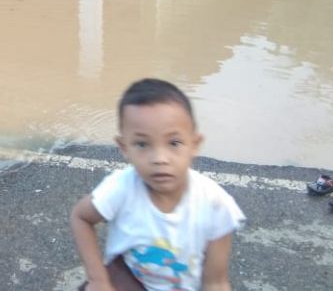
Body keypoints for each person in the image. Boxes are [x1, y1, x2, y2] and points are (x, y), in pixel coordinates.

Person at [70, 78, 245, 291]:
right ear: (124, 147)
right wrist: (98, 280)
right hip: (131, 279)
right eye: (142, 144)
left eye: (174, 143)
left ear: (194, 144)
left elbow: (215, 282)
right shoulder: (120, 188)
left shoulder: (216, 205)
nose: (159, 158)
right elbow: (81, 217)